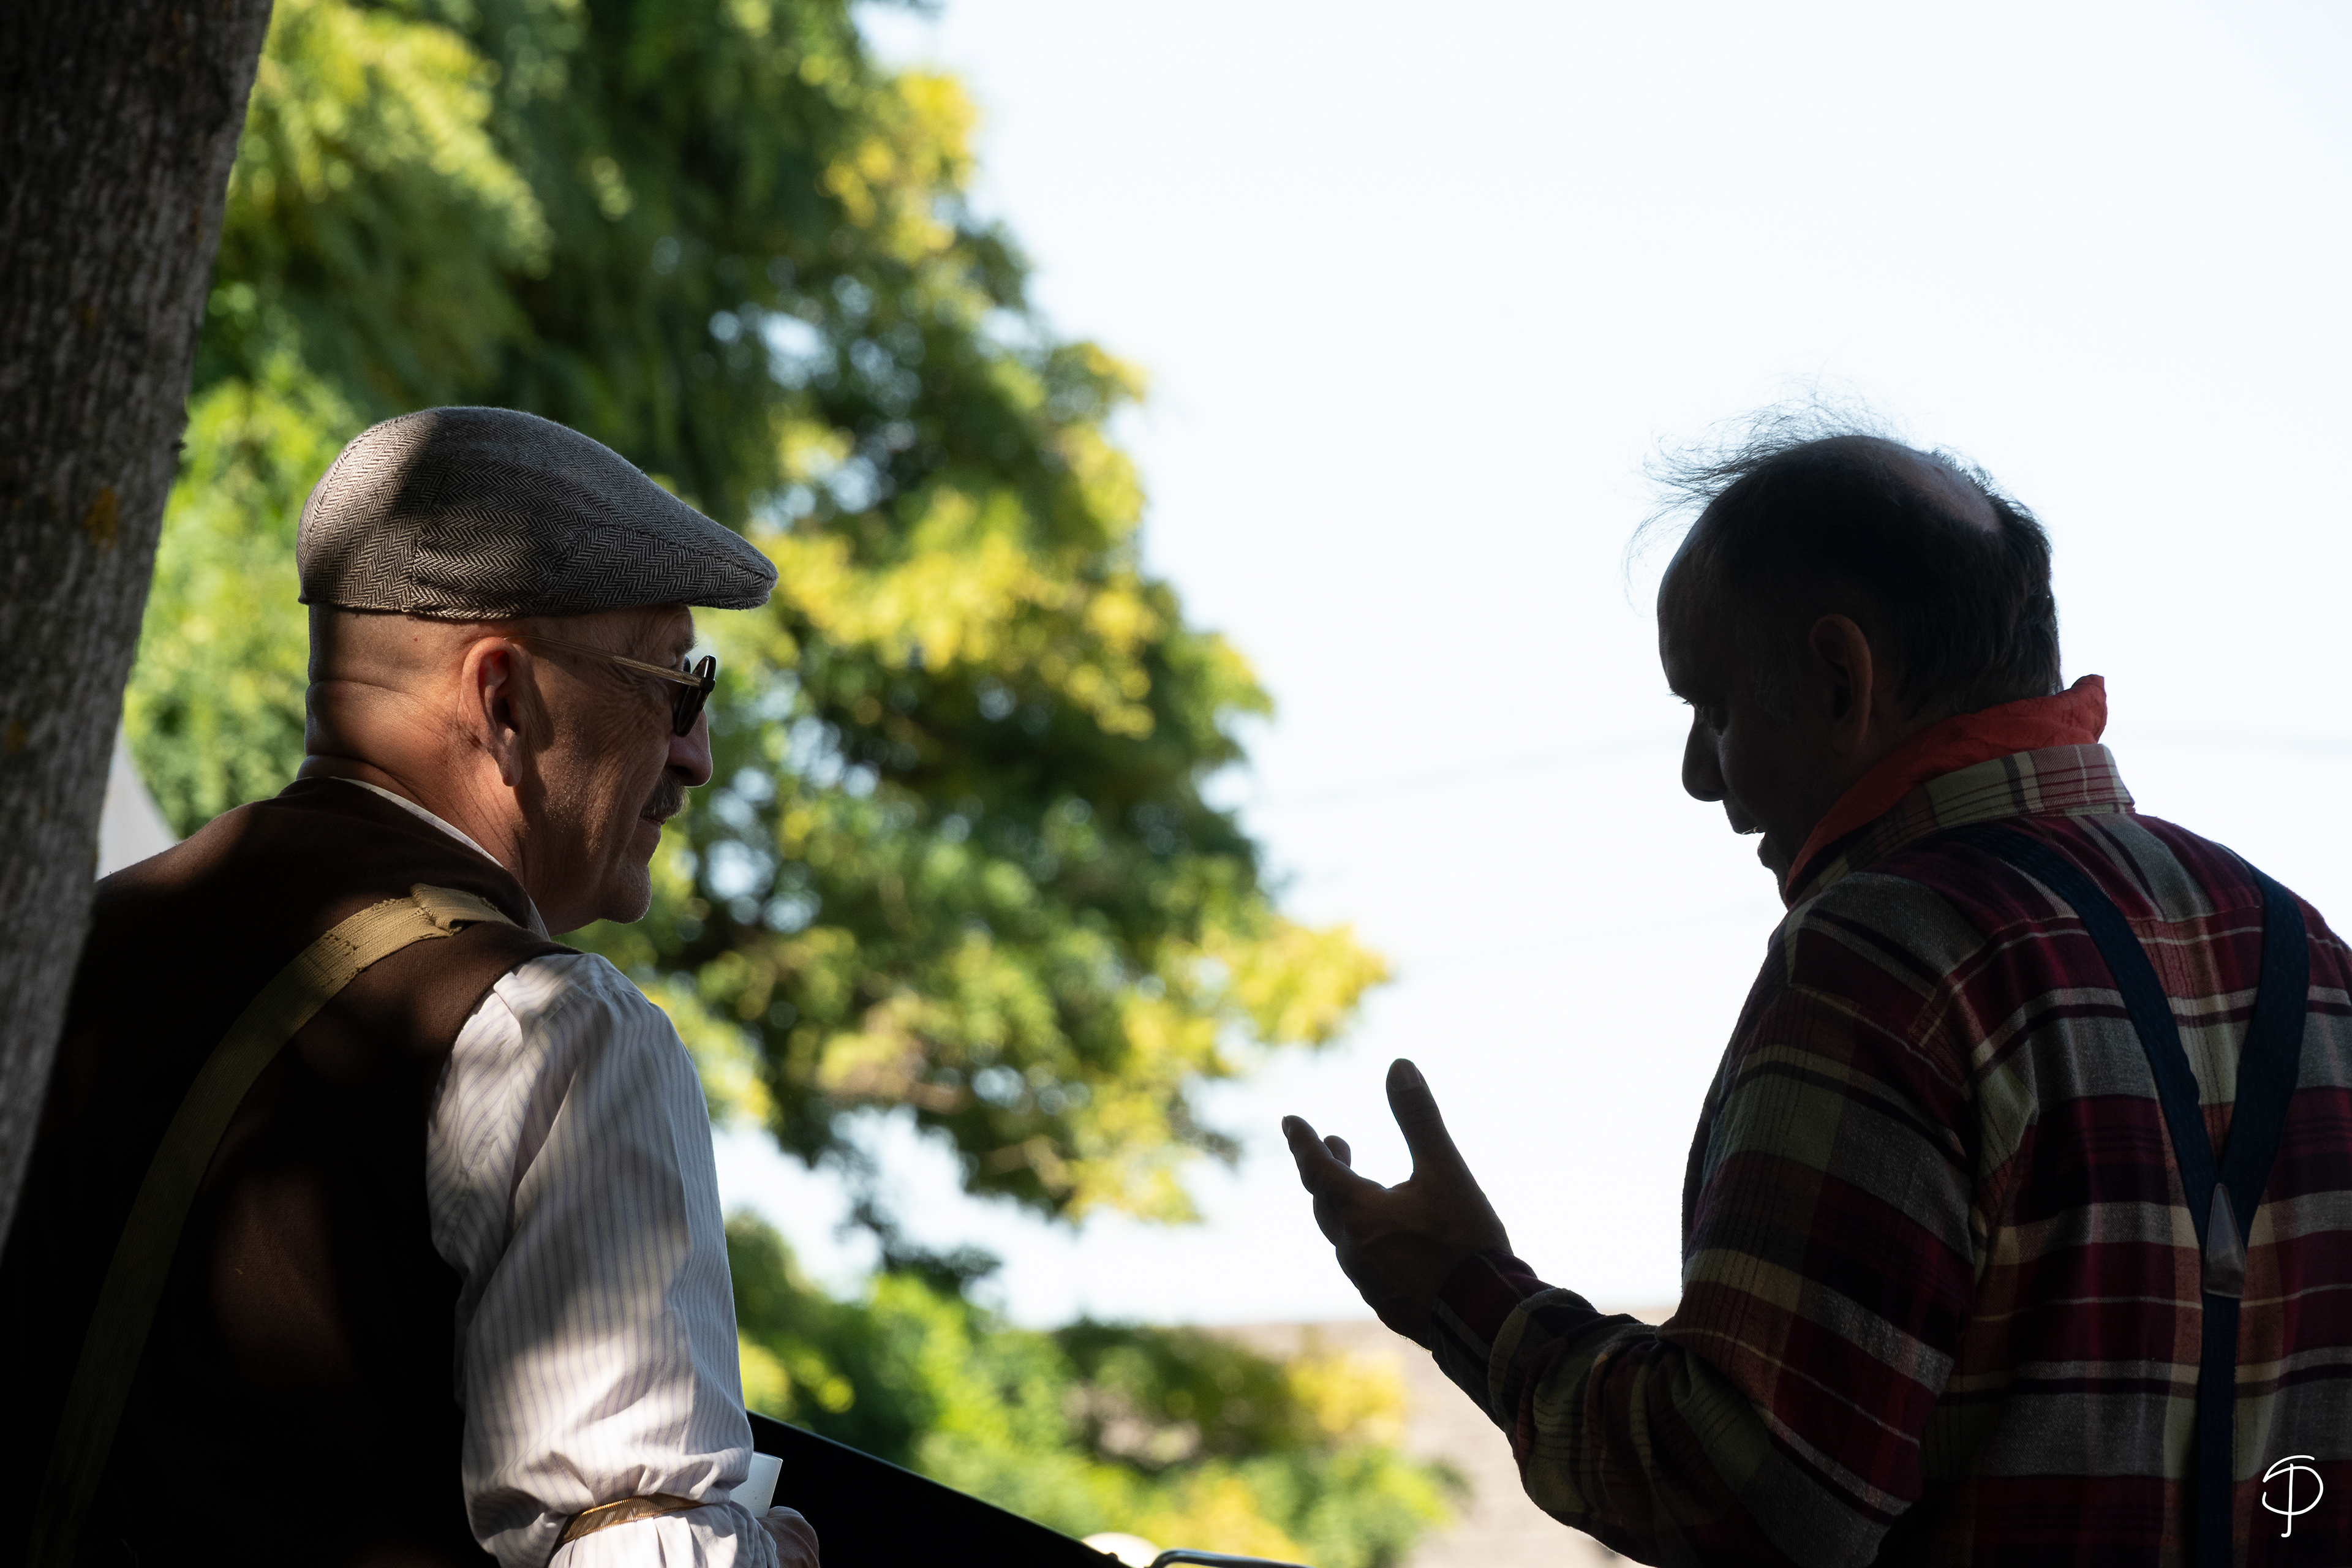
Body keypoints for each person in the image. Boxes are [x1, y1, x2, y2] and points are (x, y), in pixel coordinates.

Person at [1283, 430, 2352, 1565]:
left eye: (1714, 707)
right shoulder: (2306, 954)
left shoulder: (1884, 957)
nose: (1699, 775)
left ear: (1842, 678)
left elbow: (1750, 1495)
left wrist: (1466, 1294)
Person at [1, 407, 820, 1567]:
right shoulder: (558, 1036)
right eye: (676, 687)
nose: (695, 754)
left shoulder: (61, 944)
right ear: (504, 699)